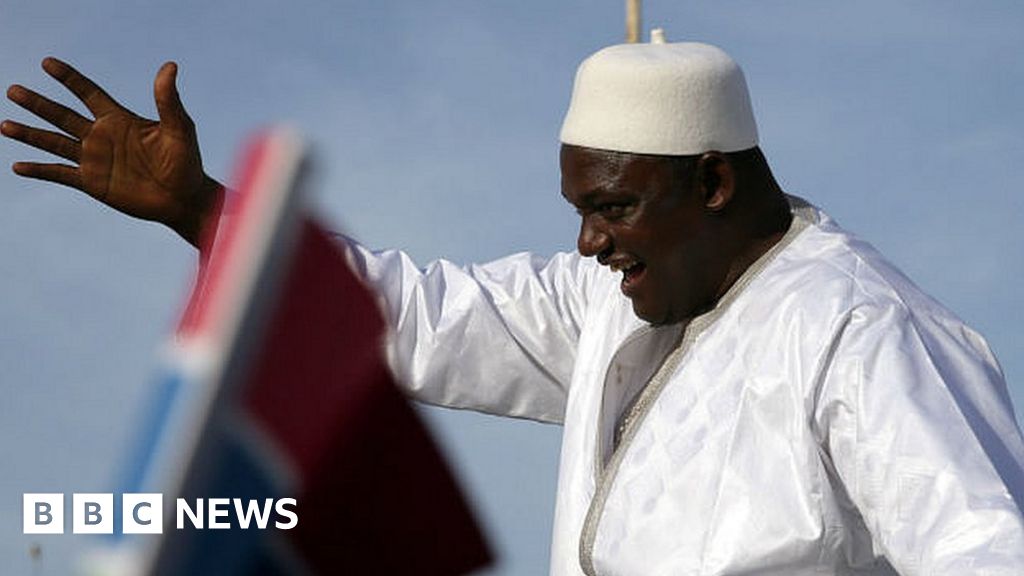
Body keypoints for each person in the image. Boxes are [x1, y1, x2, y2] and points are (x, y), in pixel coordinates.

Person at [4, 39, 1024, 575]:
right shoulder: (615, 302)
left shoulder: (862, 331)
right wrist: (203, 210)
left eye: (613, 206)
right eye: (579, 211)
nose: (589, 242)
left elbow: (987, 554)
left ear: (712, 182)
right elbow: (417, 318)